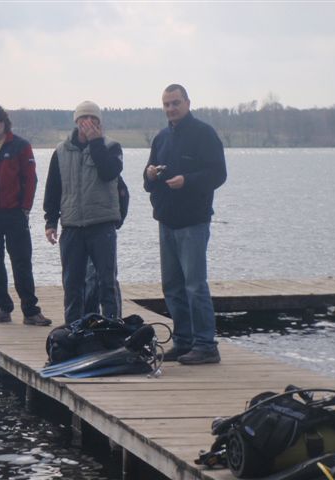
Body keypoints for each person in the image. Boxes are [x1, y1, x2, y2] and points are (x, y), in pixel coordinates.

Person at [143, 84, 227, 365]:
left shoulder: (204, 134)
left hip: (193, 222)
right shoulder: (161, 138)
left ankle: (206, 345)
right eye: (166, 104)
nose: (171, 109)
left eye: (175, 103)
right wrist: (151, 174)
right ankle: (183, 341)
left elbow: (218, 174)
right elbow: (147, 182)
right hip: (166, 221)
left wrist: (187, 181)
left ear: (188, 103)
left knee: (195, 285)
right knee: (172, 286)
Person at [0, 103, 51, 326]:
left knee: (22, 262)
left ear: (5, 122)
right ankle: (2, 308)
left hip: (15, 214)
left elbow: (31, 179)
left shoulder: (21, 147)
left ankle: (31, 311)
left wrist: (25, 207)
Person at [44, 100, 123, 324]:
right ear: (76, 122)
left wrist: (96, 142)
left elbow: (109, 172)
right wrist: (51, 222)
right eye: (83, 119)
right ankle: (72, 330)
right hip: (71, 227)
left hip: (102, 225)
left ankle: (112, 327)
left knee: (106, 283)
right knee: (72, 285)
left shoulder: (111, 147)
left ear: (99, 123)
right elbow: (53, 189)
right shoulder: (60, 151)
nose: (88, 124)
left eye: (93, 120)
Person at [83, 175, 129, 316]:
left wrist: (118, 220)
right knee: (89, 278)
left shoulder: (108, 167)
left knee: (106, 278)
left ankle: (114, 320)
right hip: (79, 227)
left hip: (104, 227)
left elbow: (123, 193)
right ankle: (89, 318)